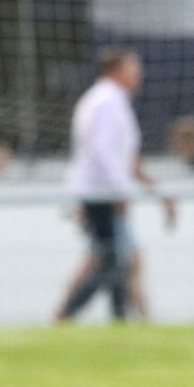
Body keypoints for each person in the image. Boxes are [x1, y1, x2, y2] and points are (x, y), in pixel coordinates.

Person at [58, 47, 175, 323]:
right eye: (133, 69)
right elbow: (102, 151)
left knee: (114, 259)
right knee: (115, 260)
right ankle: (68, 315)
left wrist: (158, 192)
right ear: (116, 70)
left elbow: (126, 159)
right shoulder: (108, 102)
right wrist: (119, 191)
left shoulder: (107, 100)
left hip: (99, 192)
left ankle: (124, 319)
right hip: (101, 194)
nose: (139, 75)